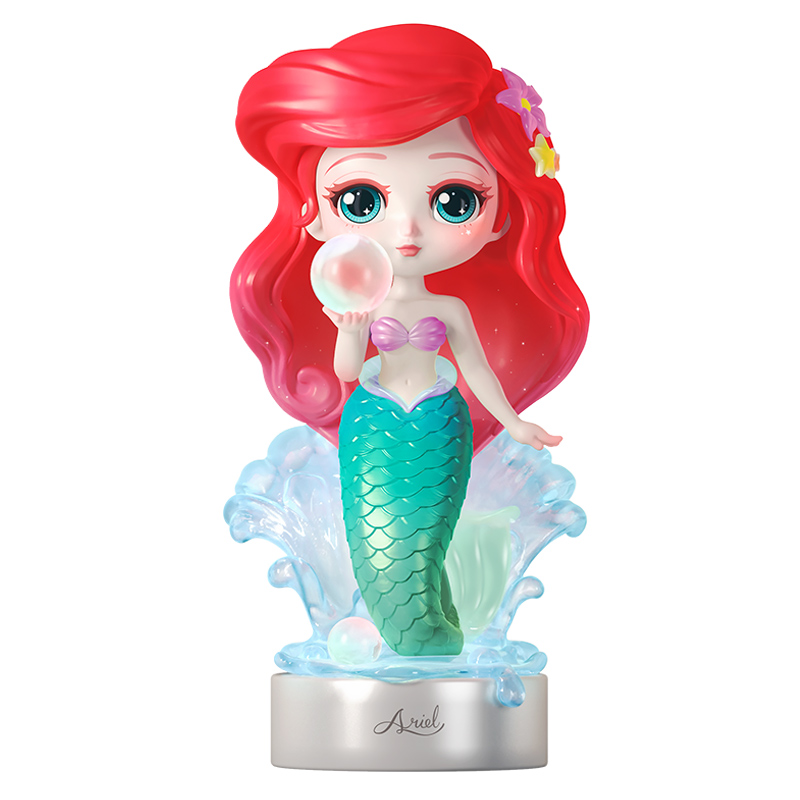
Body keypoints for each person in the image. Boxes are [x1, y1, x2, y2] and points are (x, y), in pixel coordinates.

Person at [232, 24, 589, 657]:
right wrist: (349, 330)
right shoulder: (363, 303)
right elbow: (347, 371)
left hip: (440, 423)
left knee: (427, 536)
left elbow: (477, 370)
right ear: (315, 215)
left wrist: (514, 421)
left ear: (500, 215)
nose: (406, 231)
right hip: (371, 421)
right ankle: (417, 632)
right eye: (360, 198)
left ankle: (437, 632)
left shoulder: (447, 307)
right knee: (379, 542)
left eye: (454, 200)